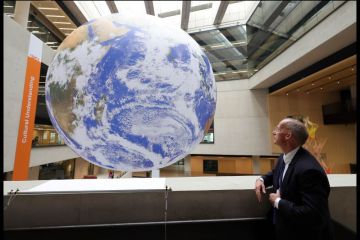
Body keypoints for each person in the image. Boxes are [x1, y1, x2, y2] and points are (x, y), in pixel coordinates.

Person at [255, 117, 333, 240]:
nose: (273, 132)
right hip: (283, 229)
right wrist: (261, 180)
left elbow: (312, 214)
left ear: (288, 136)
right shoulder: (284, 156)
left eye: (278, 129)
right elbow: (275, 173)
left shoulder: (309, 170)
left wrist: (277, 202)